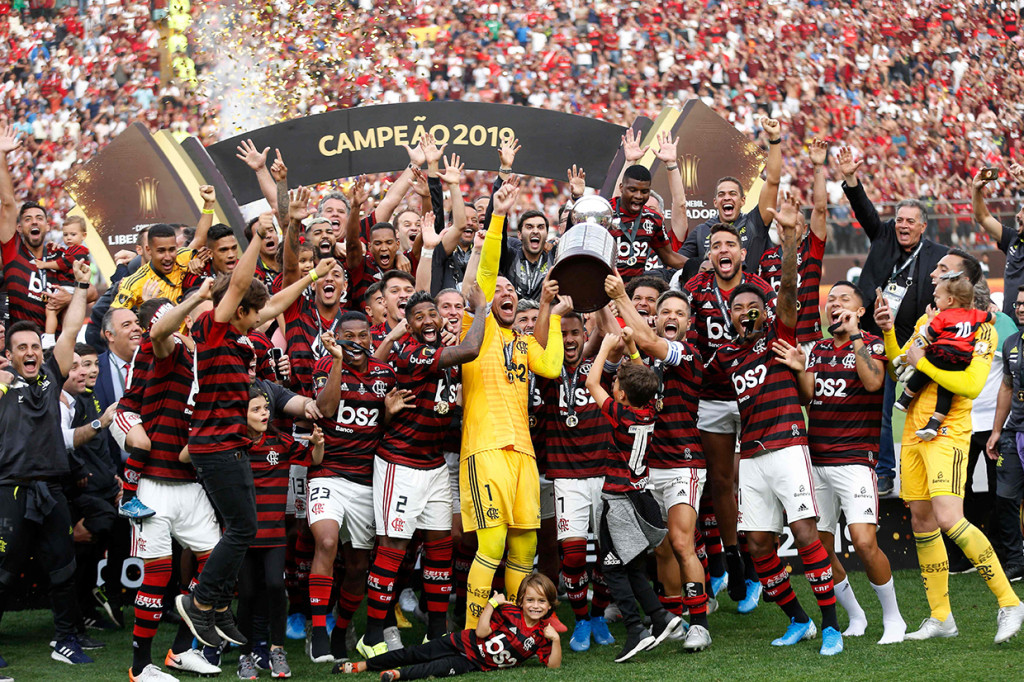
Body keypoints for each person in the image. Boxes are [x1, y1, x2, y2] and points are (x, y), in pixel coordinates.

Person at [175, 212, 324, 649]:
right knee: (242, 529)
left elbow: (273, 303)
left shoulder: (238, 334)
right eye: (251, 315)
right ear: (238, 310)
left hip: (229, 445)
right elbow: (239, 287)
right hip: (213, 445)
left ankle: (216, 603)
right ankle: (202, 601)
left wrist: (311, 274)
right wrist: (258, 240)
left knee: (245, 526)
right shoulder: (212, 328)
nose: (259, 320)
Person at [708, 195, 842, 655]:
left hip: (787, 447)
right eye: (738, 306)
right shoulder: (725, 356)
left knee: (805, 534)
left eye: (753, 305)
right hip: (752, 455)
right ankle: (798, 620)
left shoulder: (780, 337)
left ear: (764, 313)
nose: (746, 310)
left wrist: (788, 240)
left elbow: (787, 291)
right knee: (759, 543)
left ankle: (831, 626)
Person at [876, 257, 1024, 643]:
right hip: (913, 431)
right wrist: (890, 332)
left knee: (949, 519)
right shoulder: (929, 322)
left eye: (944, 273)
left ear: (963, 282)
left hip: (948, 431)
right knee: (922, 522)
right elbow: (899, 367)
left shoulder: (985, 330)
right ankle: (941, 617)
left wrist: (922, 361)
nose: (935, 278)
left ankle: (1010, 602)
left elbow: (972, 385)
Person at [459, 181, 570, 628]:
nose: (504, 291)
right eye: (498, 289)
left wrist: (555, 318)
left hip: (523, 453)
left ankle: (514, 625)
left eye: (510, 288)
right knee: (493, 545)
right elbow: (485, 275)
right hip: (485, 450)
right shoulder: (477, 329)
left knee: (525, 546)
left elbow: (551, 367)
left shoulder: (522, 342)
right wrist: (498, 217)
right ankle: (471, 629)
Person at [775, 281, 908, 644]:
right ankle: (855, 615)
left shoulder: (873, 343)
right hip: (814, 459)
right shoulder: (815, 348)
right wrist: (801, 368)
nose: (834, 304)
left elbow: (872, 384)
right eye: (830, 300)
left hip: (854, 461)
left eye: (844, 299)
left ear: (860, 311)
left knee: (864, 542)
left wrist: (855, 338)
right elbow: (808, 396)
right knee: (818, 546)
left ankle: (894, 619)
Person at [358, 284, 487, 657]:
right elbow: (471, 349)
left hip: (433, 464)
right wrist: (478, 310)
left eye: (433, 314)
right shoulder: (412, 353)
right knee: (394, 547)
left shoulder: (437, 356)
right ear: (408, 325)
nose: (429, 320)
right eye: (420, 317)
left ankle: (435, 635)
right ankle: (371, 636)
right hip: (400, 463)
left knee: (439, 547)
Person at [607, 281, 713, 652]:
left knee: (683, 543)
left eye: (679, 313)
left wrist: (621, 296)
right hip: (648, 468)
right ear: (654, 316)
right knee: (664, 548)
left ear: (688, 322)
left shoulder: (689, 353)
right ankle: (674, 619)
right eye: (665, 311)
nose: (671, 317)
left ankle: (700, 624)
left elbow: (650, 343)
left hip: (683, 461)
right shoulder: (643, 360)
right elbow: (638, 353)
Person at [837, 144, 949, 497]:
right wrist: (852, 179)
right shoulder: (883, 234)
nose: (902, 225)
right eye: (899, 219)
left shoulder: (938, 255)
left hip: (918, 341)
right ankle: (884, 473)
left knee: (924, 410)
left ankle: (930, 472)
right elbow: (864, 210)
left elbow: (956, 283)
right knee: (880, 411)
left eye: (909, 221)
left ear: (922, 226)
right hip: (876, 335)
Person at [0, 259, 93, 670]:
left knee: (63, 567)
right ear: (10, 354)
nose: (31, 352)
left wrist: (80, 286)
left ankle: (66, 640)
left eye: (35, 345)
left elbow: (71, 329)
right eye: (22, 347)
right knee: (2, 572)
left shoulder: (48, 378)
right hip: (10, 489)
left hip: (52, 489)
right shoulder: (1, 384)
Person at [684, 222, 775, 609]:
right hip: (714, 397)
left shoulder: (760, 287)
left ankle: (760, 568)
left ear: (741, 253)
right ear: (710, 254)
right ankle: (735, 560)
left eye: (730, 244)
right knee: (721, 481)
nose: (724, 250)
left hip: (755, 393)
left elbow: (774, 332)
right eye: (716, 244)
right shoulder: (696, 289)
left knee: (756, 478)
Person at [307, 320, 401, 663]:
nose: (357, 342)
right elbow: (327, 409)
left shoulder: (385, 375)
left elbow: (386, 428)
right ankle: (318, 631)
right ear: (339, 338)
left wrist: (389, 415)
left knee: (359, 567)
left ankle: (339, 630)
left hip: (366, 480)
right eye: (350, 337)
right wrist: (336, 361)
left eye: (364, 336)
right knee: (327, 542)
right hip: (327, 472)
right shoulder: (324, 364)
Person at [585, 333, 683, 662]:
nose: (612, 386)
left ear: (623, 395)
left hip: (619, 502)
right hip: (643, 499)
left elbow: (590, 382)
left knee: (613, 569)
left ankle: (635, 630)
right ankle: (660, 616)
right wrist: (630, 348)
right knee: (635, 569)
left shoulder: (621, 415)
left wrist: (603, 349)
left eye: (617, 385)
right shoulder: (650, 409)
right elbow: (644, 381)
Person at [536, 312, 615, 652]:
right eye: (563, 334)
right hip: (567, 477)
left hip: (606, 472)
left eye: (574, 333)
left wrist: (601, 301)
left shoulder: (597, 368)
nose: (568, 340)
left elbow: (614, 339)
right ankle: (581, 617)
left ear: (585, 334)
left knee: (611, 553)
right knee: (572, 553)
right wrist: (550, 314)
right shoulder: (547, 373)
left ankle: (598, 614)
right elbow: (539, 345)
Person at [234, 389, 323, 680]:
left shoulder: (281, 442)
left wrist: (318, 444)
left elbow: (314, 459)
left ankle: (277, 650)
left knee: (275, 587)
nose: (264, 414)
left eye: (265, 408)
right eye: (256, 409)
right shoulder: (231, 445)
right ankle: (244, 656)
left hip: (273, 535)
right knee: (246, 594)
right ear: (241, 415)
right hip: (242, 536)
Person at [336, 573, 561, 679]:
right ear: (521, 601)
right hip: (460, 642)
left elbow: (552, 666)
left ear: (550, 605)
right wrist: (492, 604)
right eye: (530, 600)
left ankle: (396, 675)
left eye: (541, 601)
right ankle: (364, 665)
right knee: (416, 653)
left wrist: (557, 641)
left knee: (437, 669)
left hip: (473, 662)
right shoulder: (510, 612)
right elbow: (482, 631)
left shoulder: (543, 635)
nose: (535, 606)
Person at [894, 276, 994, 440]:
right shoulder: (975, 315)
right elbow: (991, 318)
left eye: (937, 297)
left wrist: (932, 319)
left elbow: (930, 334)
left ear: (949, 300)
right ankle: (934, 424)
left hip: (941, 353)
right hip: (960, 360)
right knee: (946, 392)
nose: (934, 299)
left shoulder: (944, 316)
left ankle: (906, 397)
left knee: (923, 370)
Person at [678, 117, 783, 271]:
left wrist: (774, 140)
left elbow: (773, 181)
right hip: (712, 295)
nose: (727, 197)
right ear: (715, 202)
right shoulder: (701, 231)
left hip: (749, 294)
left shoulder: (755, 223)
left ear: (743, 200)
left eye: (732, 194)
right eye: (722, 194)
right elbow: (679, 263)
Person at [986, 284, 1024, 582]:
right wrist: (997, 430)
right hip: (1014, 432)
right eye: (1019, 303)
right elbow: (1007, 387)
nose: (1020, 308)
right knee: (1005, 497)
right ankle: (1015, 560)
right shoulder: (1011, 342)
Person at [972, 165, 1024, 317]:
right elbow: (983, 217)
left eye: (1023, 211)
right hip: (1012, 326)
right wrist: (976, 190)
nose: (1017, 216)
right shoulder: (1012, 239)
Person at [36, 216, 91, 339]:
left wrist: (44, 264)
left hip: (68, 285)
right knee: (66, 314)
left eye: (73, 234)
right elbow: (65, 255)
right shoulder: (74, 250)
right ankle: (66, 339)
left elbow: (62, 263)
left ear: (84, 235)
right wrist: (57, 248)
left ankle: (49, 338)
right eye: (65, 235)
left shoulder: (79, 251)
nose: (69, 238)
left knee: (51, 310)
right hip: (71, 287)